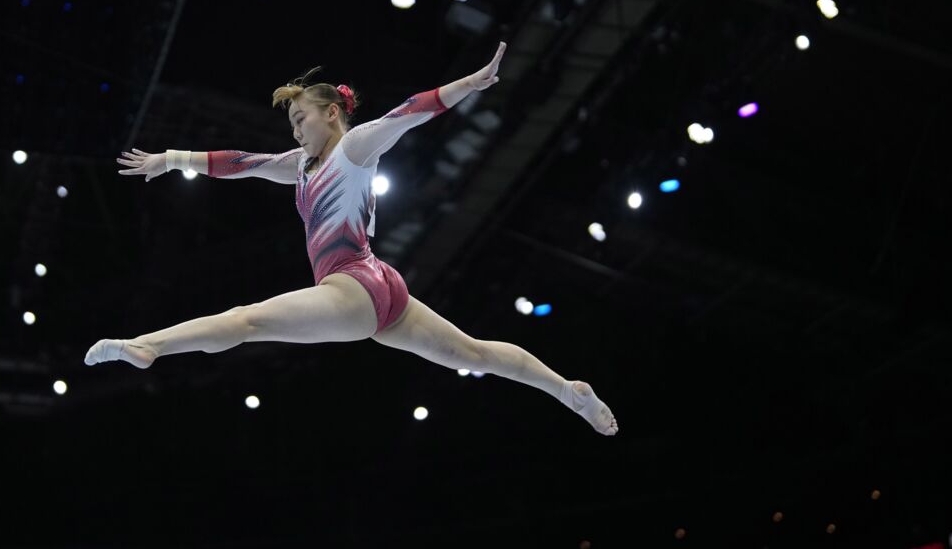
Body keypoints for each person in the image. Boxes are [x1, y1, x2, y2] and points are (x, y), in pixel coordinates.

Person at [88, 42, 617, 436]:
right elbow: (240, 164)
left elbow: (407, 113)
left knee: (248, 320)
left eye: (301, 118)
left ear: (332, 113)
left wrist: (467, 85)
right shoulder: (299, 166)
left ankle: (148, 346)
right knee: (473, 354)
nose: (295, 130)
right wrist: (171, 159)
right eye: (291, 123)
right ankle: (567, 392)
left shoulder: (356, 147)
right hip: (379, 289)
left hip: (353, 284)